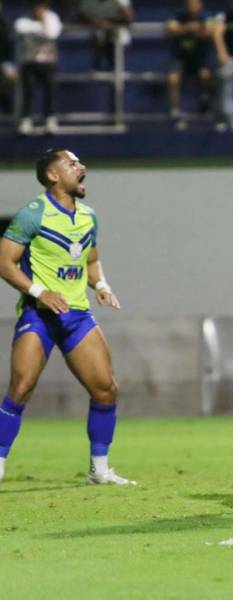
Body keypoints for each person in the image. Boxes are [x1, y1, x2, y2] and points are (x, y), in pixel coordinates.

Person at [0, 149, 132, 486]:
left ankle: (99, 469)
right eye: (72, 164)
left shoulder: (88, 216)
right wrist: (39, 292)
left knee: (106, 389)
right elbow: (4, 262)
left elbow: (91, 260)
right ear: (53, 175)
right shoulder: (32, 214)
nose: (82, 166)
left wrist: (100, 285)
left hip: (77, 317)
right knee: (20, 388)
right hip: (39, 315)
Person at [165, 0, 220, 129]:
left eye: (194, 4)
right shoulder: (178, 15)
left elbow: (210, 31)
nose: (192, 7)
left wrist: (183, 29)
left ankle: (205, 99)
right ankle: (175, 111)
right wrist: (189, 28)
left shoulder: (207, 16)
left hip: (200, 57)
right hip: (181, 57)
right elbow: (169, 29)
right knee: (172, 79)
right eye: (189, 4)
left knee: (206, 75)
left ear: (200, 5)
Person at [15, 0, 62, 135]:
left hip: (48, 62)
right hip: (29, 62)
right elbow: (20, 29)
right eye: (36, 7)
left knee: (50, 90)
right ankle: (25, 120)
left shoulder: (52, 18)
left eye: (41, 7)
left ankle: (50, 119)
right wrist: (40, 29)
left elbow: (52, 33)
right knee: (28, 91)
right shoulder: (23, 20)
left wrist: (41, 24)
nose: (38, 11)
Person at [77, 0, 134, 72]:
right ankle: (97, 68)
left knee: (121, 37)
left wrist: (109, 25)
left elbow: (129, 18)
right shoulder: (88, 3)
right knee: (98, 35)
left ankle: (117, 68)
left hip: (116, 31)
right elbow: (81, 18)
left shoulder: (121, 1)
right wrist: (98, 23)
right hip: (96, 30)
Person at [0, 2, 17, 116]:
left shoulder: (3, 24)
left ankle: (8, 111)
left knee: (7, 77)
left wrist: (8, 65)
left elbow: (7, 48)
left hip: (2, 62)